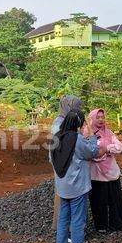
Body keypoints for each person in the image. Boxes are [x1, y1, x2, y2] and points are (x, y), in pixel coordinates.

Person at [50, 110, 105, 243]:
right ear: (79, 124)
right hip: (77, 186)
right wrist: (92, 136)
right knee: (78, 221)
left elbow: (51, 159)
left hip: (62, 185)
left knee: (63, 218)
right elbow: (93, 152)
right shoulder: (78, 139)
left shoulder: (56, 137)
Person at [87, 109, 122, 233]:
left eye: (103, 117)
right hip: (96, 173)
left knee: (115, 198)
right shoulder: (87, 133)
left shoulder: (108, 132)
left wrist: (106, 149)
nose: (101, 120)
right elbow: (92, 154)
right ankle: (101, 226)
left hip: (112, 172)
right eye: (98, 117)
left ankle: (118, 223)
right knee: (98, 200)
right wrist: (107, 149)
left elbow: (119, 147)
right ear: (91, 119)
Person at [51, 96, 82, 230]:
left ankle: (63, 227)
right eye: (76, 107)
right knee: (64, 197)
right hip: (63, 163)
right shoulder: (59, 123)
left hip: (66, 161)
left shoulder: (62, 121)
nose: (77, 110)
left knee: (65, 195)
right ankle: (65, 227)